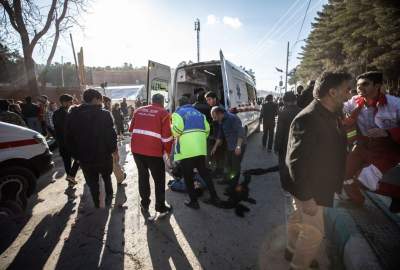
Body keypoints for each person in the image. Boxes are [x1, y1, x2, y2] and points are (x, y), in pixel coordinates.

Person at [285, 71, 351, 270]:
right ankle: (298, 265)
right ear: (332, 92)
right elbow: (295, 162)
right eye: (347, 90)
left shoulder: (332, 113)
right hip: (310, 189)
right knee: (313, 233)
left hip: (317, 184)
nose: (350, 95)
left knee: (298, 218)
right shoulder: (308, 118)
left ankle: (290, 249)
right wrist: (306, 198)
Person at [342, 71, 400, 212]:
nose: (360, 88)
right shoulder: (354, 102)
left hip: (388, 149)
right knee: (344, 173)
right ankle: (356, 200)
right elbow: (337, 108)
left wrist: (387, 132)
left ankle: (397, 195)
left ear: (377, 85)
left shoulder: (395, 104)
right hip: (363, 146)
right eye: (358, 85)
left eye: (365, 84)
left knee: (367, 178)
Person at [65, 89, 117, 207]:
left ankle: (97, 203)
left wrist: (76, 155)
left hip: (84, 158)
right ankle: (108, 200)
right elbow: (111, 135)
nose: (101, 103)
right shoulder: (104, 114)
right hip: (103, 155)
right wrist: (114, 150)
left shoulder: (73, 114)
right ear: (94, 99)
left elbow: (68, 138)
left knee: (92, 182)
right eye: (100, 100)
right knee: (106, 178)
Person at [172, 96, 220, 209]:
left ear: (179, 104)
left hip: (187, 150)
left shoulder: (177, 113)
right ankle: (215, 197)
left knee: (188, 177)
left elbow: (177, 131)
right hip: (200, 149)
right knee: (204, 174)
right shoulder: (199, 114)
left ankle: (194, 202)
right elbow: (207, 130)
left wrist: (173, 129)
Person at [129, 94, 173, 215]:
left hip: (136, 150)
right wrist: (167, 152)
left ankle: (144, 204)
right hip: (153, 152)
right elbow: (167, 138)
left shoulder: (138, 110)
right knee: (159, 180)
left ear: (151, 101)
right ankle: (160, 207)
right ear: (163, 102)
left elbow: (131, 129)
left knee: (142, 176)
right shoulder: (164, 113)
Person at [211, 106, 246, 188]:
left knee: (235, 166)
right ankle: (228, 179)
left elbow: (241, 132)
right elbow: (220, 135)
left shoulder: (232, 118)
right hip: (230, 145)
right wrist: (215, 147)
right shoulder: (221, 120)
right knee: (227, 164)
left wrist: (238, 146)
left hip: (239, 145)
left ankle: (234, 184)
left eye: (215, 117)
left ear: (220, 114)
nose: (215, 120)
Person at [274, 92, 301, 193]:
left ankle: (286, 188)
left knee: (284, 165)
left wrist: (276, 146)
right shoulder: (302, 111)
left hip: (285, 145)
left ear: (285, 101)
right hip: (299, 144)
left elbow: (279, 132)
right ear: (295, 100)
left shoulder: (283, 113)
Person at [53, 94, 80, 186]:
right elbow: (62, 128)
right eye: (70, 102)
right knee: (71, 160)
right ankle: (70, 178)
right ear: (64, 102)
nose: (72, 103)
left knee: (75, 159)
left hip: (68, 141)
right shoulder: (58, 113)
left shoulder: (70, 112)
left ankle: (70, 177)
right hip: (65, 142)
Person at [205, 91, 225, 178]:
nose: (208, 102)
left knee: (219, 154)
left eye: (209, 99)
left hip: (220, 136)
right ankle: (218, 170)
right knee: (217, 154)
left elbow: (221, 126)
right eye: (207, 100)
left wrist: (218, 139)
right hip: (217, 135)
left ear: (214, 99)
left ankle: (219, 172)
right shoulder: (214, 107)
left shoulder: (219, 109)